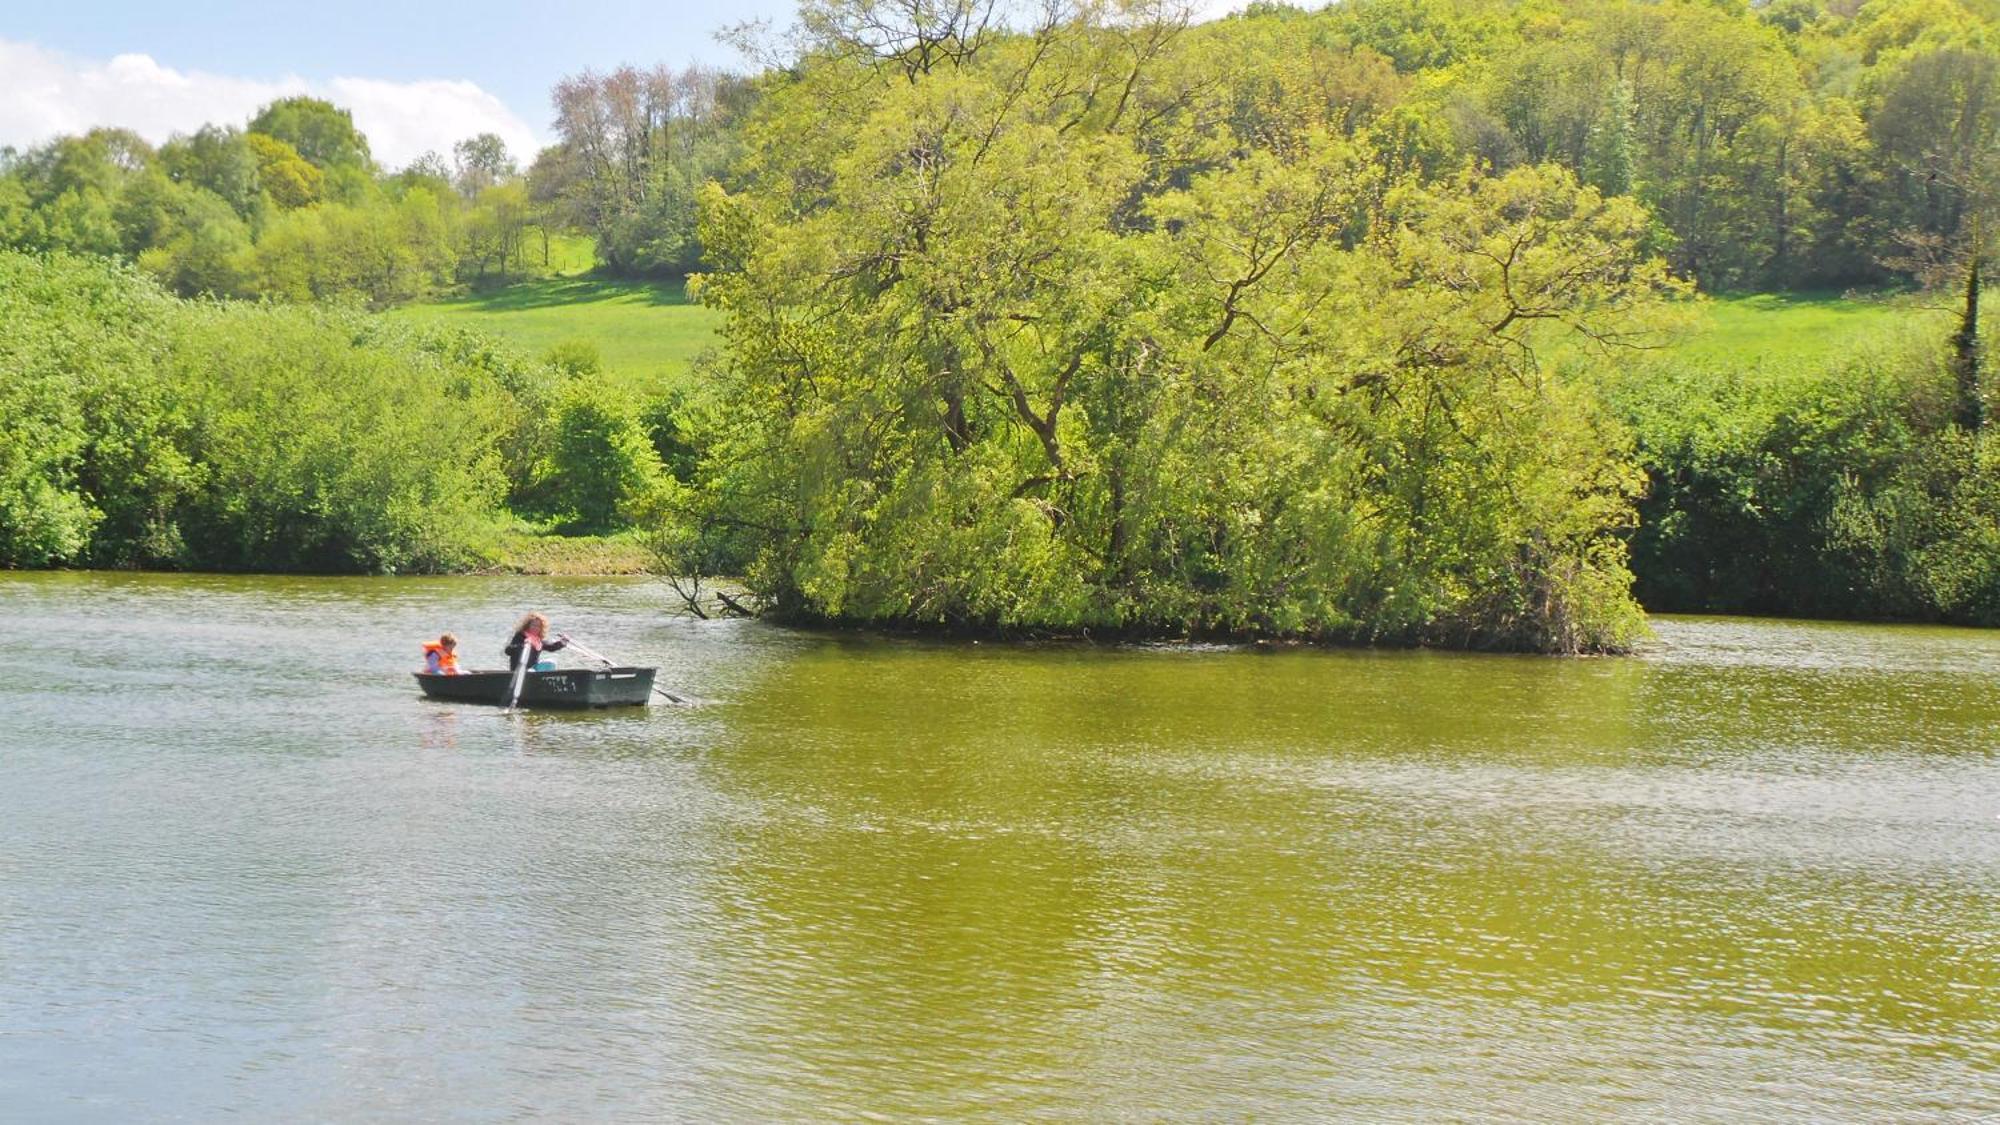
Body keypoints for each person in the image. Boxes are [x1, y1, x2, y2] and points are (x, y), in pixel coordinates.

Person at [505, 613, 569, 671]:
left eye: (538, 626)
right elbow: (508, 651)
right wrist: (523, 645)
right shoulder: (520, 636)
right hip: (519, 670)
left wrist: (562, 643)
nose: (536, 628)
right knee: (531, 671)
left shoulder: (538, 640)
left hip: (533, 668)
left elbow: (551, 647)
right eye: (533, 625)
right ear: (528, 626)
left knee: (551, 663)